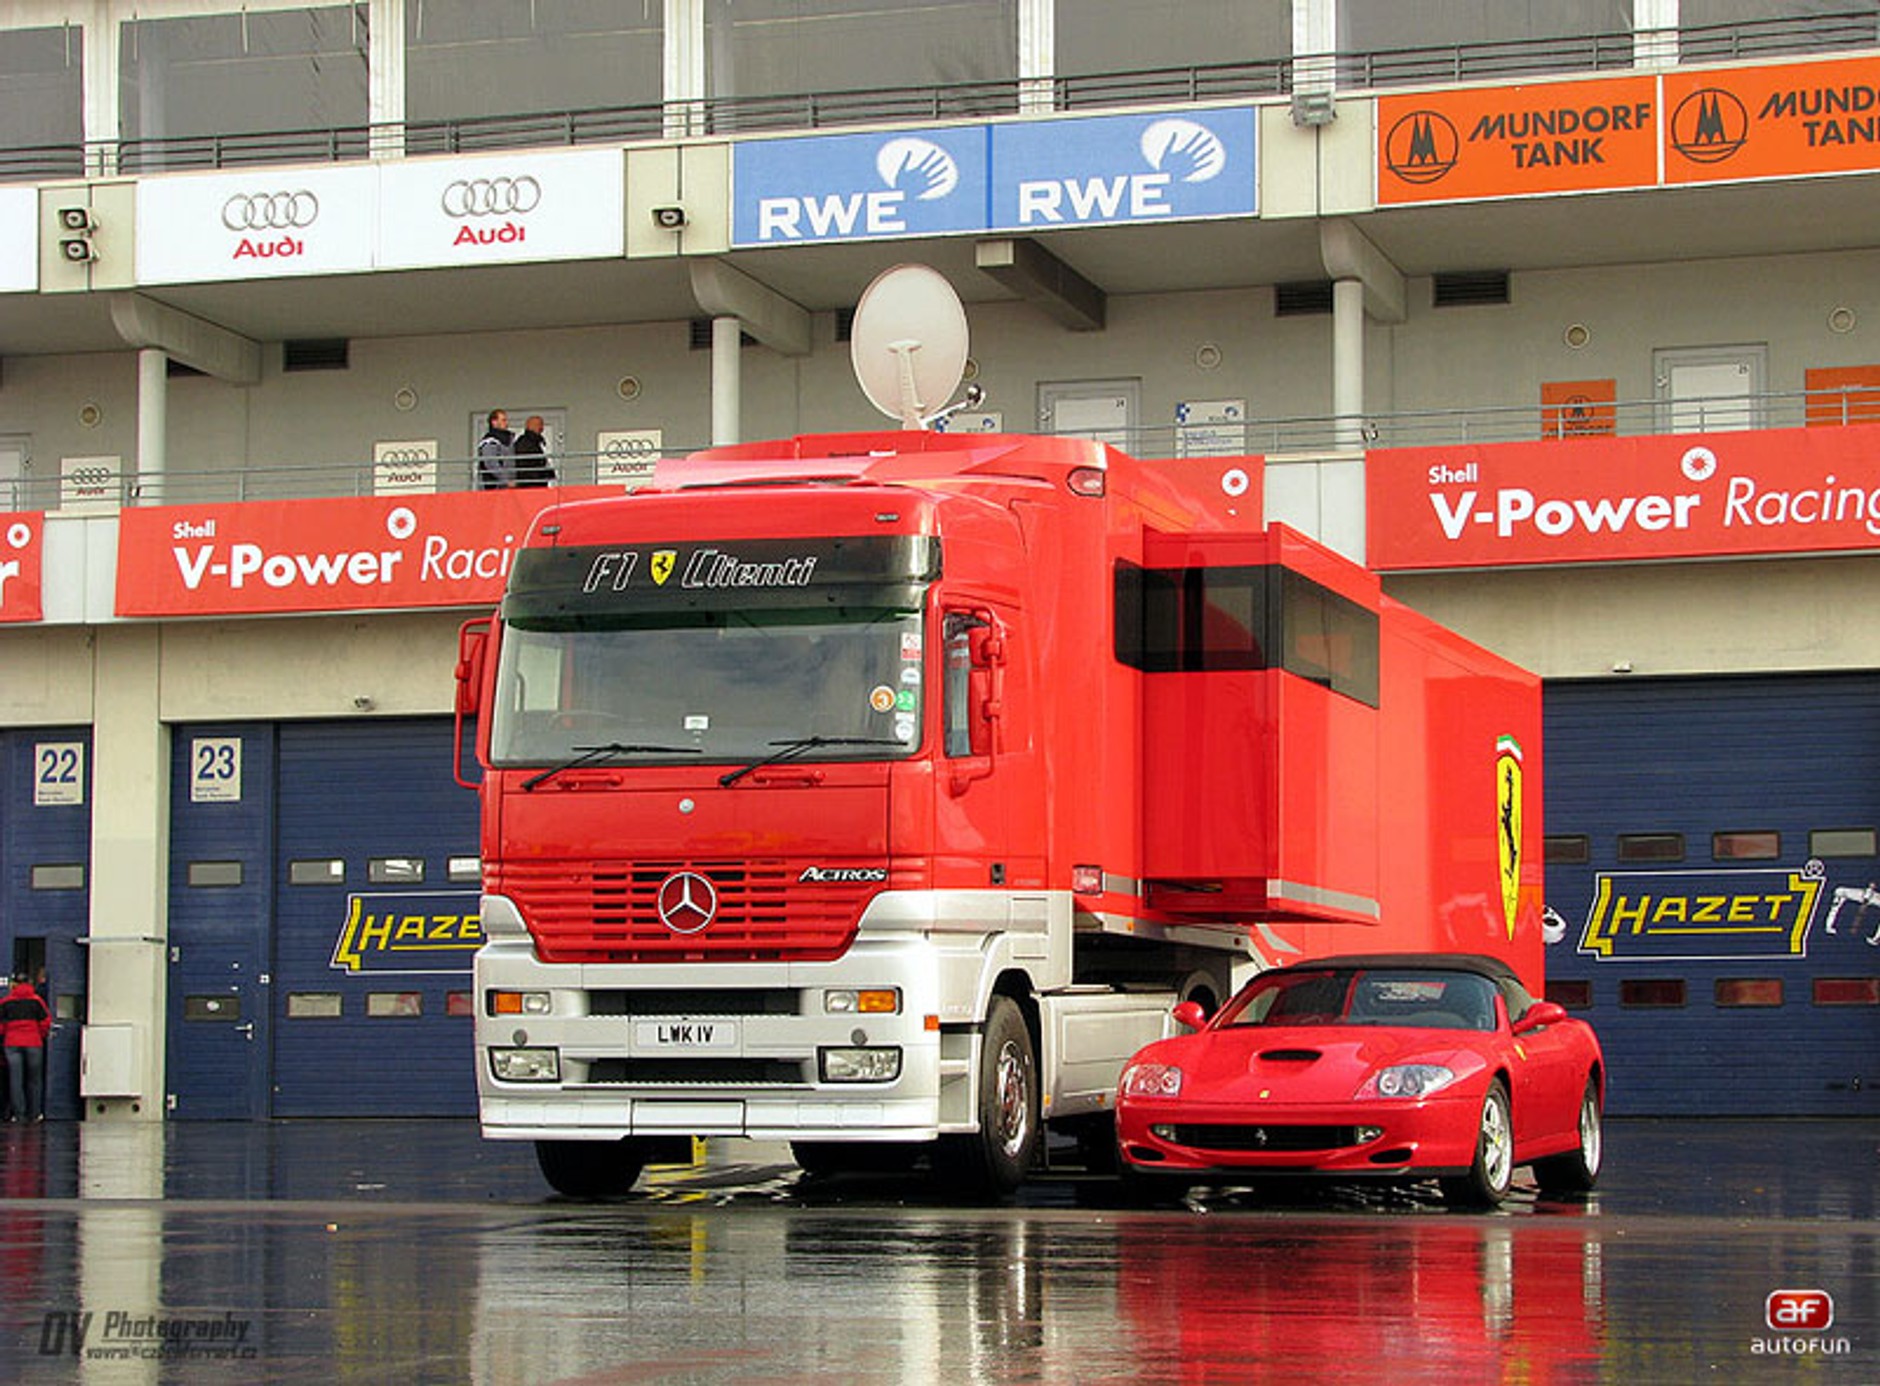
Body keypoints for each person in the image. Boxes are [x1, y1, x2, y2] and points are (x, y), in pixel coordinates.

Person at [0, 973, 51, 1123]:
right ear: (29, 983)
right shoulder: (37, 1001)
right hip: (33, 1043)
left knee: (16, 1080)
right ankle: (35, 1114)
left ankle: (19, 1114)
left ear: (14, 984)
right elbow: (45, 1022)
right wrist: (39, 1035)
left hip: (12, 1044)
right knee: (34, 1079)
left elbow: (1, 1027)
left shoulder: (5, 1002)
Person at [476, 408, 516, 490]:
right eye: (503, 420)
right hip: (492, 487)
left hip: (508, 486)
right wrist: (506, 481)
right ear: (494, 422)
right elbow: (491, 463)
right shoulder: (489, 441)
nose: (507, 423)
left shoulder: (509, 440)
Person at [513, 415, 555, 488]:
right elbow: (530, 465)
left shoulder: (532, 442)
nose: (542, 428)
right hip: (531, 485)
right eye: (539, 425)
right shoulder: (527, 443)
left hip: (532, 484)